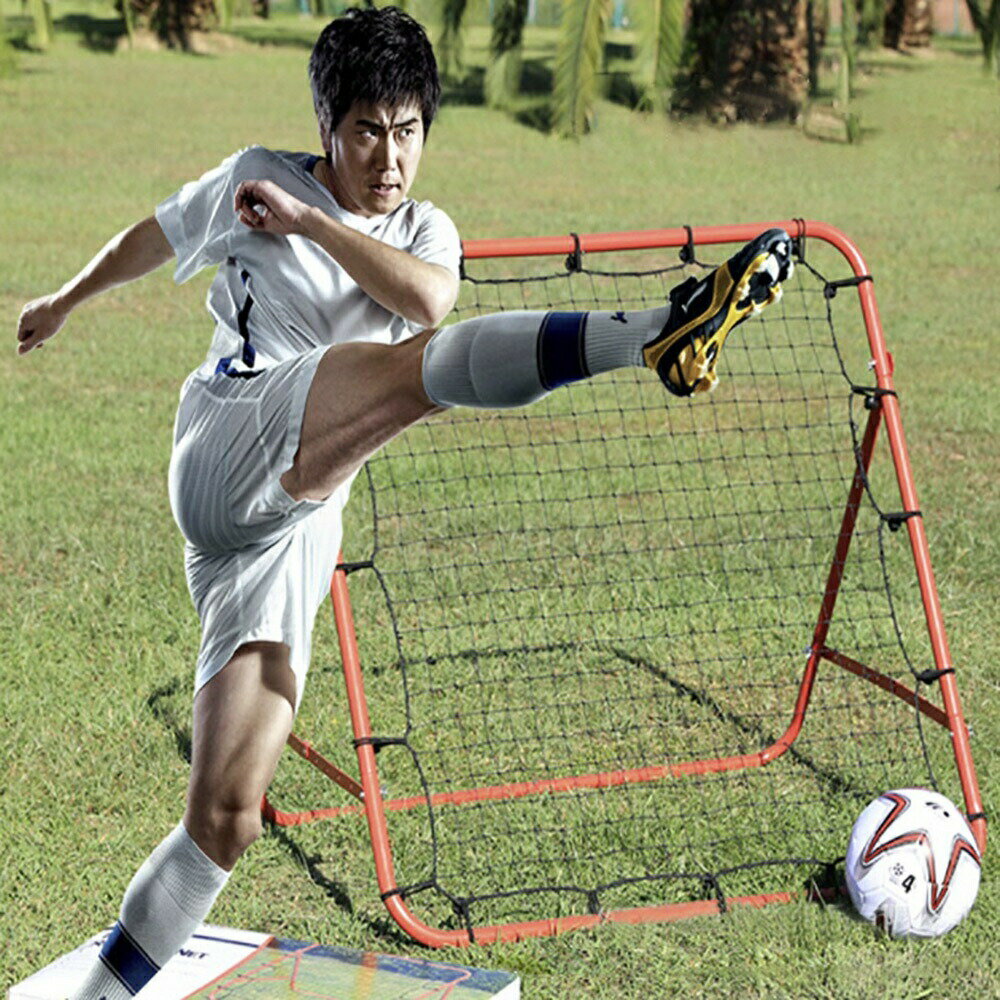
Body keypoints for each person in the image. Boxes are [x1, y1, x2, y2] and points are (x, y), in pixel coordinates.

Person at [15, 7, 792, 997]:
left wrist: (314, 226)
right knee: (411, 376)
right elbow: (156, 235)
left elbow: (430, 297)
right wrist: (65, 299)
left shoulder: (425, 229)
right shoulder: (261, 174)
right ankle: (650, 329)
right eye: (367, 130)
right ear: (328, 127)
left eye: (409, 128)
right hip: (225, 444)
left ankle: (99, 994)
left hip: (292, 522)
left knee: (226, 815)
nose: (389, 155)